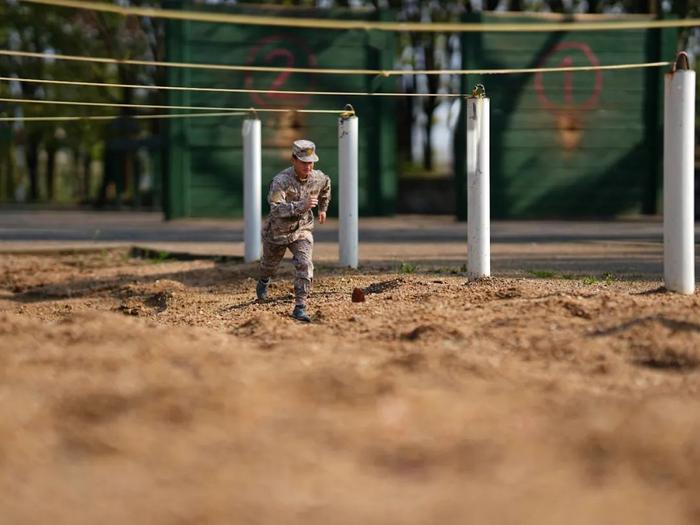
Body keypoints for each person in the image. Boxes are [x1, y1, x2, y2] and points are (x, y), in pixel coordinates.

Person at [255, 139, 331, 322]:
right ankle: (264, 281)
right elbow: (275, 208)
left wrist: (322, 208)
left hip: (302, 230)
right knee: (269, 266)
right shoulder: (280, 181)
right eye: (304, 162)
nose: (308, 166)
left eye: (311, 162)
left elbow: (326, 186)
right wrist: (301, 206)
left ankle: (300, 306)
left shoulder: (318, 177)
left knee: (305, 263)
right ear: (293, 160)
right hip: (277, 232)